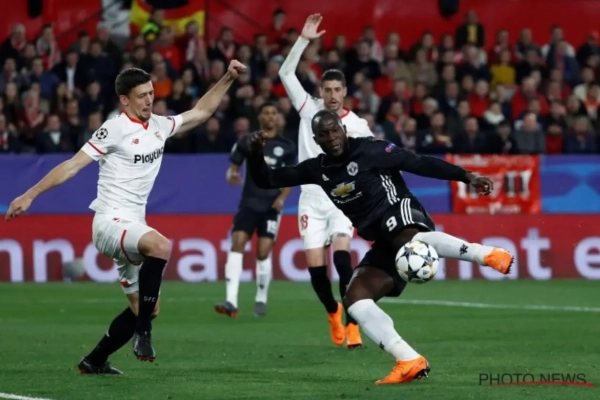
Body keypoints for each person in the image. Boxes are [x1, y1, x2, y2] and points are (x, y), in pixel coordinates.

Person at [4, 61, 247, 374]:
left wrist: (227, 77)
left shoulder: (159, 125)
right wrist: (30, 194)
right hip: (109, 222)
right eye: (142, 95)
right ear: (124, 100)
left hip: (133, 226)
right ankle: (143, 333)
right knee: (161, 246)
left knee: (147, 306)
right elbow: (72, 165)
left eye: (151, 93)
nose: (149, 100)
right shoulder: (114, 129)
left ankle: (94, 361)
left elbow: (201, 112)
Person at [244, 110, 514, 384]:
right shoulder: (317, 169)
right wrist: (254, 155)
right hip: (383, 240)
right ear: (316, 140)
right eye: (324, 134)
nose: (332, 137)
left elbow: (418, 163)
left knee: (410, 243)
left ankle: (487, 254)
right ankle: (408, 359)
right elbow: (267, 179)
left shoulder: (371, 150)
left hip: (401, 212)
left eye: (335, 130)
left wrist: (466, 176)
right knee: (354, 297)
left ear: (343, 130)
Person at [278, 13, 372, 348]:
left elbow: (373, 162)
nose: (332, 95)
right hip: (311, 199)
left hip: (342, 197)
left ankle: (353, 321)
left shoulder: (358, 125)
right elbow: (285, 73)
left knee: (343, 259)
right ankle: (333, 310)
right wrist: (304, 40)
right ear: (321, 91)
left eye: (337, 90)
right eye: (327, 90)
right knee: (317, 273)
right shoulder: (308, 109)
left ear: (345, 92)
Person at [214, 102, 296, 317]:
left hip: (271, 205)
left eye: (273, 113)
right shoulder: (248, 140)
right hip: (249, 202)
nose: (270, 116)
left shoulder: (287, 146)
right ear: (259, 117)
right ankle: (231, 301)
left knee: (263, 252)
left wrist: (282, 198)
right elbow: (232, 168)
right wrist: (232, 175)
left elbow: (290, 177)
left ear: (278, 118)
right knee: (237, 243)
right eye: (266, 113)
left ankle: (261, 297)